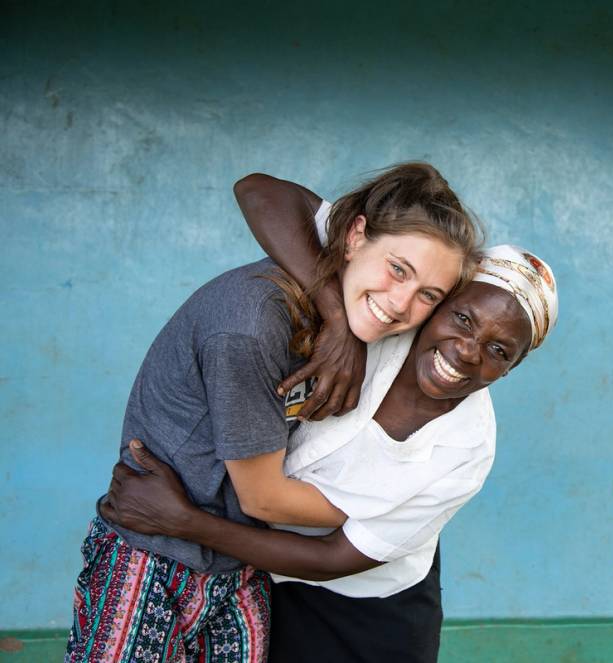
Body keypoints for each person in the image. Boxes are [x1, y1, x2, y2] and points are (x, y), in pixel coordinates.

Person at [65, 163, 482, 663]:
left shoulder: (377, 321)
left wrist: (343, 325)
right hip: (154, 552)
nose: (399, 304)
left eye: (428, 296)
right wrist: (392, 511)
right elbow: (263, 499)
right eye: (397, 270)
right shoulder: (251, 326)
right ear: (355, 236)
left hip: (240, 568)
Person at [101, 244, 560, 662]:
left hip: (372, 610)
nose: (466, 351)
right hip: (261, 577)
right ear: (440, 304)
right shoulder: (377, 325)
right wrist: (337, 321)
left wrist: (182, 522)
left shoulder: (466, 451)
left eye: (498, 350)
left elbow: (332, 560)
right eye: (463, 318)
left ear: (511, 368)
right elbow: (264, 195)